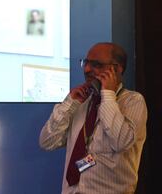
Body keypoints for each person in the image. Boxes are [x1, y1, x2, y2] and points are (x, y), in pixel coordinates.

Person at [39, 42, 147, 194]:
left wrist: (108, 95)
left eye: (96, 64)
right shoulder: (82, 103)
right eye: (86, 63)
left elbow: (121, 142)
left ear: (116, 69)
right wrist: (69, 103)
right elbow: (47, 142)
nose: (87, 69)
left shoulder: (132, 101)